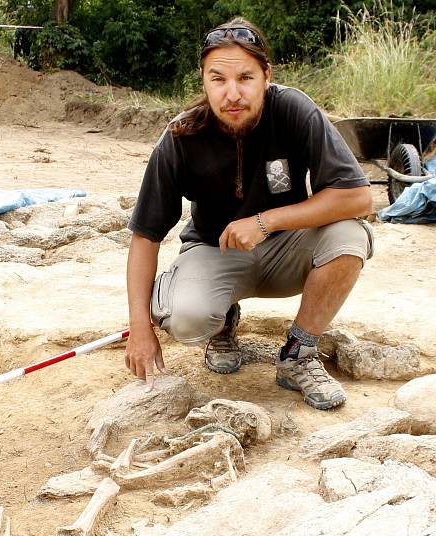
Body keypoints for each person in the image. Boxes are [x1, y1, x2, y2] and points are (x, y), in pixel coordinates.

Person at [124, 17, 373, 410]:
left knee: (349, 236)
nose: (232, 93)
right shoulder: (180, 136)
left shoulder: (294, 110)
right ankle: (222, 321)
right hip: (215, 250)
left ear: (266, 76)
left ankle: (298, 354)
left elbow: (358, 197)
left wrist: (265, 221)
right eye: (218, 79)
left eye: (245, 77)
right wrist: (140, 326)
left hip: (286, 249)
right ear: (204, 81)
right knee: (186, 318)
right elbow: (145, 236)